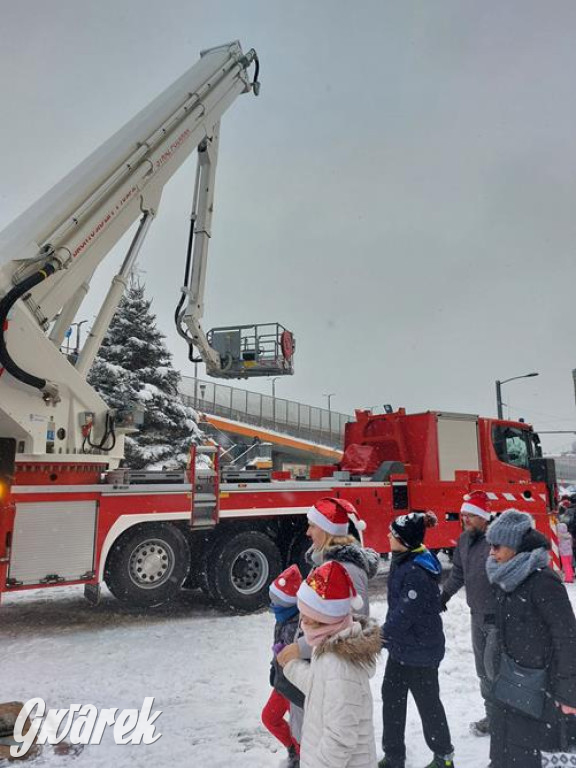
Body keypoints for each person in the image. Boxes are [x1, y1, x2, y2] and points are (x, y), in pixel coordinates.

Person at [486, 509, 576, 768]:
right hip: (508, 684)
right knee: (504, 749)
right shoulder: (506, 579)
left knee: (527, 755)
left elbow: (567, 637)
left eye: (497, 546)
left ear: (514, 547)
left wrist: (569, 692)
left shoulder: (543, 581)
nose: (492, 553)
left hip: (539, 691)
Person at [279, 560, 380, 768]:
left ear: (326, 619)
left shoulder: (340, 664)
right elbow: (320, 688)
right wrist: (291, 666)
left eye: (307, 618)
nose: (302, 623)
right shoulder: (328, 645)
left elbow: (339, 740)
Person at [379, 512, 454, 768]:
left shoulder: (416, 570)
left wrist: (380, 635)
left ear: (402, 540)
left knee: (428, 704)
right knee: (391, 698)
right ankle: (393, 756)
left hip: (421, 651)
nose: (388, 535)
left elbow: (404, 613)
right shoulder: (405, 559)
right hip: (403, 647)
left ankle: (444, 758)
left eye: (392, 533)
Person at [440, 490, 496, 736]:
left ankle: (508, 716)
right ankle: (493, 716)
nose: (466, 520)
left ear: (484, 517)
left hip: (498, 618)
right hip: (477, 616)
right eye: (463, 515)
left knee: (496, 669)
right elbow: (458, 575)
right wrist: (443, 596)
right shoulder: (464, 540)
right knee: (482, 671)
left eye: (471, 516)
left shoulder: (497, 541)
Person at [305, 496, 379, 615]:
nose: (307, 532)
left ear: (327, 531)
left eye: (312, 526)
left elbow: (357, 622)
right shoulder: (322, 562)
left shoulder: (347, 569)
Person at [262, 565, 304, 768]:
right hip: (282, 683)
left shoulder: (299, 624)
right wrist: (275, 666)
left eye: (276, 602)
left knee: (300, 729)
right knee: (270, 718)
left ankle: (303, 757)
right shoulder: (283, 618)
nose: (272, 606)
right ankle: (293, 749)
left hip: (295, 686)